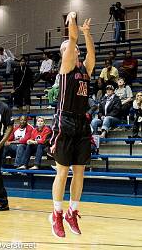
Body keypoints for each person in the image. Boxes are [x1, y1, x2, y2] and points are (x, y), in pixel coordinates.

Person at [49, 12, 95, 238]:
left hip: (81, 123)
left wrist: (87, 34)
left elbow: (92, 57)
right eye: (70, 46)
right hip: (64, 122)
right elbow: (73, 40)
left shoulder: (84, 70)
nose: (75, 48)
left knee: (80, 172)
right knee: (63, 171)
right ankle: (56, 213)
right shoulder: (66, 66)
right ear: (65, 52)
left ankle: (72, 211)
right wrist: (72, 20)